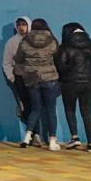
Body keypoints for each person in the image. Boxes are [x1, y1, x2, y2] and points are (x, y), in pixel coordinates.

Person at [55, 22, 91, 152]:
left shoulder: (64, 48)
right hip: (89, 84)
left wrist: (69, 73)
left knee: (70, 110)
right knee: (87, 113)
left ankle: (75, 137)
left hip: (69, 84)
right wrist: (90, 73)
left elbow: (60, 66)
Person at [14, 18, 62, 151]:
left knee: (35, 109)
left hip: (31, 78)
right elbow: (58, 56)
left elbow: (18, 59)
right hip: (50, 78)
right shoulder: (52, 40)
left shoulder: (25, 40)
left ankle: (27, 137)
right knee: (51, 110)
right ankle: (52, 141)